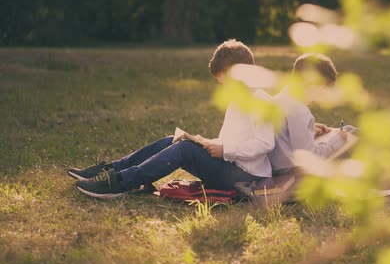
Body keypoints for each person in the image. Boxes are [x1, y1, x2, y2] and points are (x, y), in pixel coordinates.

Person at [69, 39, 275, 198]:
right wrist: (209, 143)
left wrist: (224, 150)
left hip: (247, 178)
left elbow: (265, 144)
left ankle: (122, 182)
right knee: (174, 140)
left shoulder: (260, 100)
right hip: (231, 167)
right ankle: (113, 169)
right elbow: (235, 140)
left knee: (184, 150)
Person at [268, 53, 352, 175]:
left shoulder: (279, 99)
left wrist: (309, 130)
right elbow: (309, 158)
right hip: (292, 171)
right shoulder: (299, 111)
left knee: (349, 130)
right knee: (351, 135)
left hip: (280, 164)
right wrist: (337, 140)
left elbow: (286, 134)